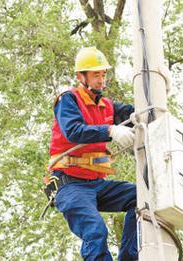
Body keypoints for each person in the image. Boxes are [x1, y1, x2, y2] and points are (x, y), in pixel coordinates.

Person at [48, 46, 138, 261]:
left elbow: (131, 110)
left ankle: (128, 258)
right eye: (96, 74)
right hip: (69, 184)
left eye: (103, 74)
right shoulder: (68, 100)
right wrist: (110, 130)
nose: (101, 79)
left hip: (95, 184)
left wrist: (151, 104)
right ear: (81, 76)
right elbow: (74, 131)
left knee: (143, 198)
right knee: (95, 231)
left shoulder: (107, 106)